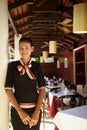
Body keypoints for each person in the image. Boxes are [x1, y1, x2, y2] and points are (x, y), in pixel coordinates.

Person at [5, 37, 45, 130]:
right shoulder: (13, 66)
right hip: (18, 112)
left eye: (27, 48)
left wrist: (37, 112)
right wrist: (20, 112)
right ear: (18, 50)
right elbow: (8, 89)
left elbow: (42, 89)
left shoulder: (37, 66)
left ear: (32, 48)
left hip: (35, 111)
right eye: (21, 48)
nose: (24, 51)